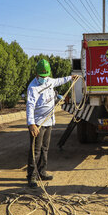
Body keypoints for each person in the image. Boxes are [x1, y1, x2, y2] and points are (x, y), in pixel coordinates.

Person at [26, 59, 76, 188]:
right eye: (42, 76)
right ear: (37, 74)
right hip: (38, 123)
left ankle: (42, 172)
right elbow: (30, 106)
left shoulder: (49, 81)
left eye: (46, 75)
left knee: (45, 148)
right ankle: (31, 176)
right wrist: (32, 124)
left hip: (48, 121)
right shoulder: (33, 87)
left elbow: (59, 80)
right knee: (35, 151)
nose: (44, 78)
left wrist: (71, 78)